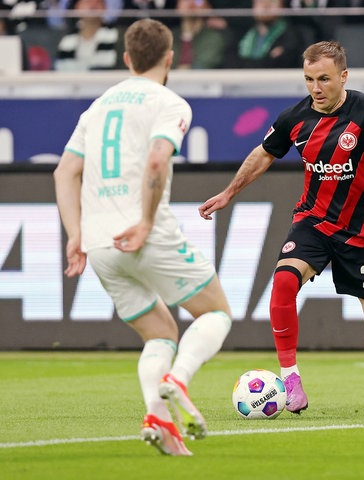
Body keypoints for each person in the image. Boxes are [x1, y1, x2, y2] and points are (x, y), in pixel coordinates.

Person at [199, 41, 364, 415]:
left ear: (343, 77)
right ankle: (290, 378)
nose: (316, 88)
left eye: (324, 79)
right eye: (308, 79)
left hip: (362, 232)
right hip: (312, 222)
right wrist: (228, 193)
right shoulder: (295, 118)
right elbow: (265, 151)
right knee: (283, 282)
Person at [53, 18, 232, 456]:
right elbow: (156, 161)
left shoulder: (96, 106)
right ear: (171, 58)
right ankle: (179, 379)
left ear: (127, 58)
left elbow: (64, 172)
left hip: (98, 243)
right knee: (215, 314)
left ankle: (158, 417)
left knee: (159, 334)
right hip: (143, 232)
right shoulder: (170, 102)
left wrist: (75, 235)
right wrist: (148, 222)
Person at [222, 0, 302, 69]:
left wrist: (244, 63)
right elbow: (230, 62)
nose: (266, 6)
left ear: (282, 6)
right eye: (260, 1)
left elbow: (281, 63)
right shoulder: (240, 33)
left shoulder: (292, 35)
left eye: (272, 1)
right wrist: (268, 59)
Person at [55, 0, 123, 71]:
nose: (93, 5)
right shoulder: (66, 40)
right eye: (87, 1)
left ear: (104, 7)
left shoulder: (118, 36)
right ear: (77, 7)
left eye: (98, 1)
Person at [171, 0, 227, 69]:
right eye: (186, 1)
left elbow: (204, 64)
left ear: (207, 8)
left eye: (198, 1)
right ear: (177, 7)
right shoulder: (171, 35)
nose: (191, 5)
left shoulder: (212, 37)